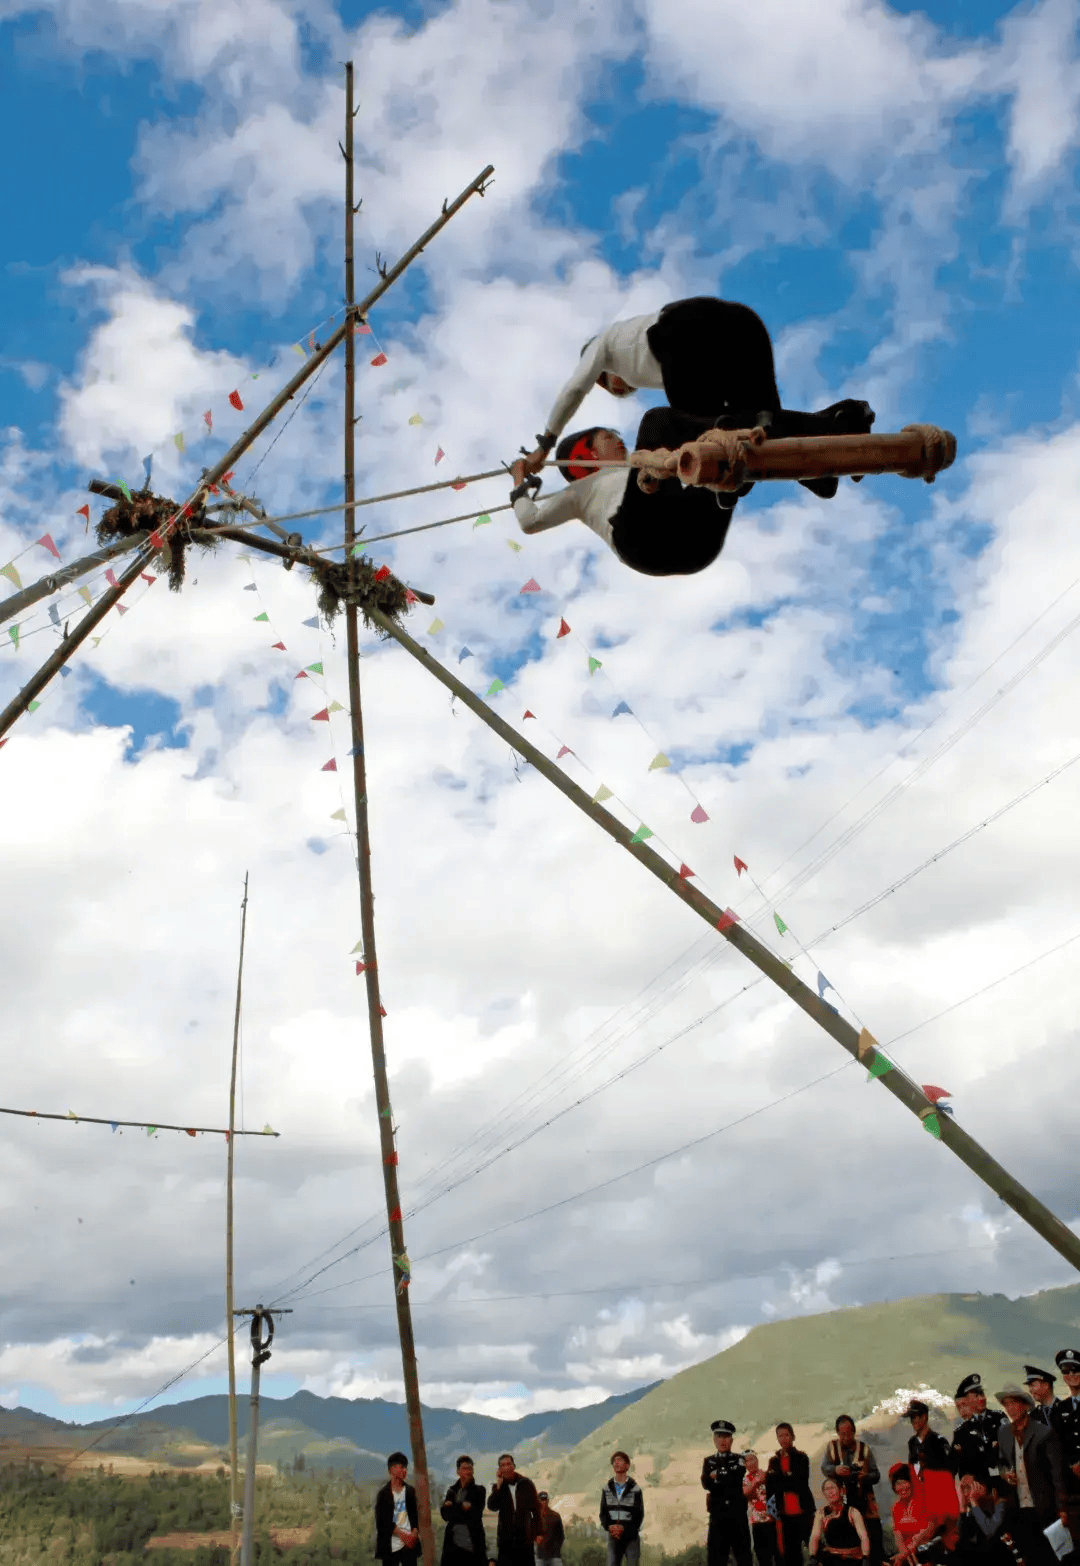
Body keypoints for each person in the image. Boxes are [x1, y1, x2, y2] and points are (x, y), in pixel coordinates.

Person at [519, 296, 876, 503]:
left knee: (680, 421)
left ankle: (725, 467)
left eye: (610, 386)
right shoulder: (651, 360)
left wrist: (545, 445)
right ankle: (838, 430)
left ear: (600, 372)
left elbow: (573, 389)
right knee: (762, 424)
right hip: (742, 330)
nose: (619, 389)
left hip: (690, 330)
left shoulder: (606, 344)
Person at [996, 1382, 1068, 1566]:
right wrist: (1005, 1473)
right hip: (1017, 1506)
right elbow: (1002, 1462)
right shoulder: (1003, 1432)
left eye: (1014, 1403)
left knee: (1050, 1555)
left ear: (1025, 1405)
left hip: (1044, 1505)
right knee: (1027, 1554)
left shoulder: (1044, 1432)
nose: (1011, 1408)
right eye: (1007, 1404)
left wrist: (1062, 1508)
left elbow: (1057, 1474)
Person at [822, 1416, 883, 1563]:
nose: (846, 1437)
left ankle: (874, 1561)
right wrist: (835, 1469)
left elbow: (876, 1475)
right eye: (842, 1434)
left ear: (854, 1431)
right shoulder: (831, 1447)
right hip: (841, 1500)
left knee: (872, 1534)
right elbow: (824, 1468)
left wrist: (865, 1475)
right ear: (837, 1432)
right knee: (846, 1535)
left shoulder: (865, 1449)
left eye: (849, 1433)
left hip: (864, 1498)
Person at [702, 1419, 752, 1566]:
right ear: (714, 1439)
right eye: (719, 1436)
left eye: (726, 1437)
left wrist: (717, 1477)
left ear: (731, 1439)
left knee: (743, 1558)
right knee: (716, 1558)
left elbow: (736, 1479)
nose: (722, 1440)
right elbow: (706, 1483)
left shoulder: (739, 1459)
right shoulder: (708, 1461)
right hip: (718, 1518)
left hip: (737, 1516)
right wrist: (721, 1478)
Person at [767, 1424, 816, 1566]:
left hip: (804, 1511)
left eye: (786, 1435)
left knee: (814, 1549)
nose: (783, 1439)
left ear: (793, 1436)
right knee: (792, 1556)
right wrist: (788, 1477)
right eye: (780, 1435)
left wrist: (780, 1479)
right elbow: (771, 1488)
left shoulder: (802, 1457)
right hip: (785, 1515)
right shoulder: (773, 1461)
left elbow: (800, 1483)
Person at [905, 1401, 959, 1525]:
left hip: (939, 1496)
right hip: (920, 1496)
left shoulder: (938, 1441)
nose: (913, 1422)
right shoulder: (912, 1442)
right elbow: (912, 1466)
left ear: (924, 1417)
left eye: (915, 1417)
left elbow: (952, 1467)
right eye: (911, 1419)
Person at [1049, 1348, 1080, 1558]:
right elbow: (1057, 1455)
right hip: (1074, 1494)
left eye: (1076, 1370)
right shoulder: (1060, 1410)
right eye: (1066, 1372)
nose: (1071, 1375)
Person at [487, 1454, 542, 1566]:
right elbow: (492, 1506)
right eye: (503, 1465)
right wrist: (498, 1485)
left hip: (525, 1539)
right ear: (500, 1469)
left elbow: (536, 1510)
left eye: (509, 1464)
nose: (506, 1467)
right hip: (506, 1540)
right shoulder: (499, 1488)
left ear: (514, 1466)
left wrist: (539, 1532)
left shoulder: (526, 1484)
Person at [951, 1377, 1002, 1490]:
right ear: (967, 1400)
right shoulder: (961, 1432)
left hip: (1004, 1486)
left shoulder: (999, 1418)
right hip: (979, 1490)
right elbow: (958, 1466)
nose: (982, 1398)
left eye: (982, 1394)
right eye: (976, 1395)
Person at [809, 1478, 870, 1566]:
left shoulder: (852, 1512)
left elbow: (864, 1537)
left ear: (841, 1491)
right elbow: (815, 1536)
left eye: (832, 1488)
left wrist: (865, 1558)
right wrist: (812, 1557)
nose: (830, 1492)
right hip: (831, 1559)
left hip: (852, 1560)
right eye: (827, 1489)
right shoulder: (821, 1513)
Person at [375, 1452, 421, 1566]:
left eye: (405, 1467)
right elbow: (381, 1522)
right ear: (392, 1469)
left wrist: (414, 1533)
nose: (404, 1470)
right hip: (391, 1545)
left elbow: (416, 1516)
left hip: (409, 1545)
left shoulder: (410, 1491)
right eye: (401, 1467)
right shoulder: (383, 1494)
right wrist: (402, 1535)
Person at [441, 1455, 488, 1566]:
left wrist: (453, 1507)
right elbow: (445, 1515)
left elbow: (476, 1514)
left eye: (470, 1469)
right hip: (452, 1547)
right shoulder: (452, 1491)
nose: (468, 1472)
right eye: (464, 1469)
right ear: (458, 1471)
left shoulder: (479, 1490)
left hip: (472, 1546)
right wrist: (463, 1507)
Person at [601, 1451, 645, 1566]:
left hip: (631, 1538)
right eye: (614, 1461)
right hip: (613, 1537)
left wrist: (623, 1528)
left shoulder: (635, 1489)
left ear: (627, 1465)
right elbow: (603, 1513)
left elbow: (638, 1516)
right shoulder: (607, 1488)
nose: (616, 1463)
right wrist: (610, 1527)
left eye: (620, 1460)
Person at [889, 1465, 931, 1562]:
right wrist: (903, 1553)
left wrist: (910, 1548)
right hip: (909, 1555)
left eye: (904, 1482)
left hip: (926, 1550)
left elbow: (928, 1528)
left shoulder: (923, 1500)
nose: (901, 1487)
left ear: (911, 1483)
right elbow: (897, 1533)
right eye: (898, 1483)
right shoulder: (896, 1507)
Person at [958, 1474, 1006, 1558]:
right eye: (962, 1489)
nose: (965, 1493)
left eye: (969, 1487)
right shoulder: (971, 1510)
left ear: (983, 1486)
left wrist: (973, 1501)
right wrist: (962, 1508)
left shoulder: (999, 1502)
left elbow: (989, 1530)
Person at [745, 1452, 781, 1566]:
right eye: (747, 1461)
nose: (750, 1463)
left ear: (757, 1460)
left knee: (779, 1555)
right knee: (763, 1557)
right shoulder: (744, 1481)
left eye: (752, 1459)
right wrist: (756, 1482)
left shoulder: (767, 1474)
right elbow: (745, 1494)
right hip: (757, 1523)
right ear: (744, 1464)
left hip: (773, 1520)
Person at [535, 1492, 564, 1566]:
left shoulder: (555, 1516)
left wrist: (556, 1548)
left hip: (554, 1556)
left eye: (545, 1500)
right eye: (542, 1500)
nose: (544, 1502)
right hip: (541, 1555)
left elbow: (561, 1536)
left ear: (548, 1501)